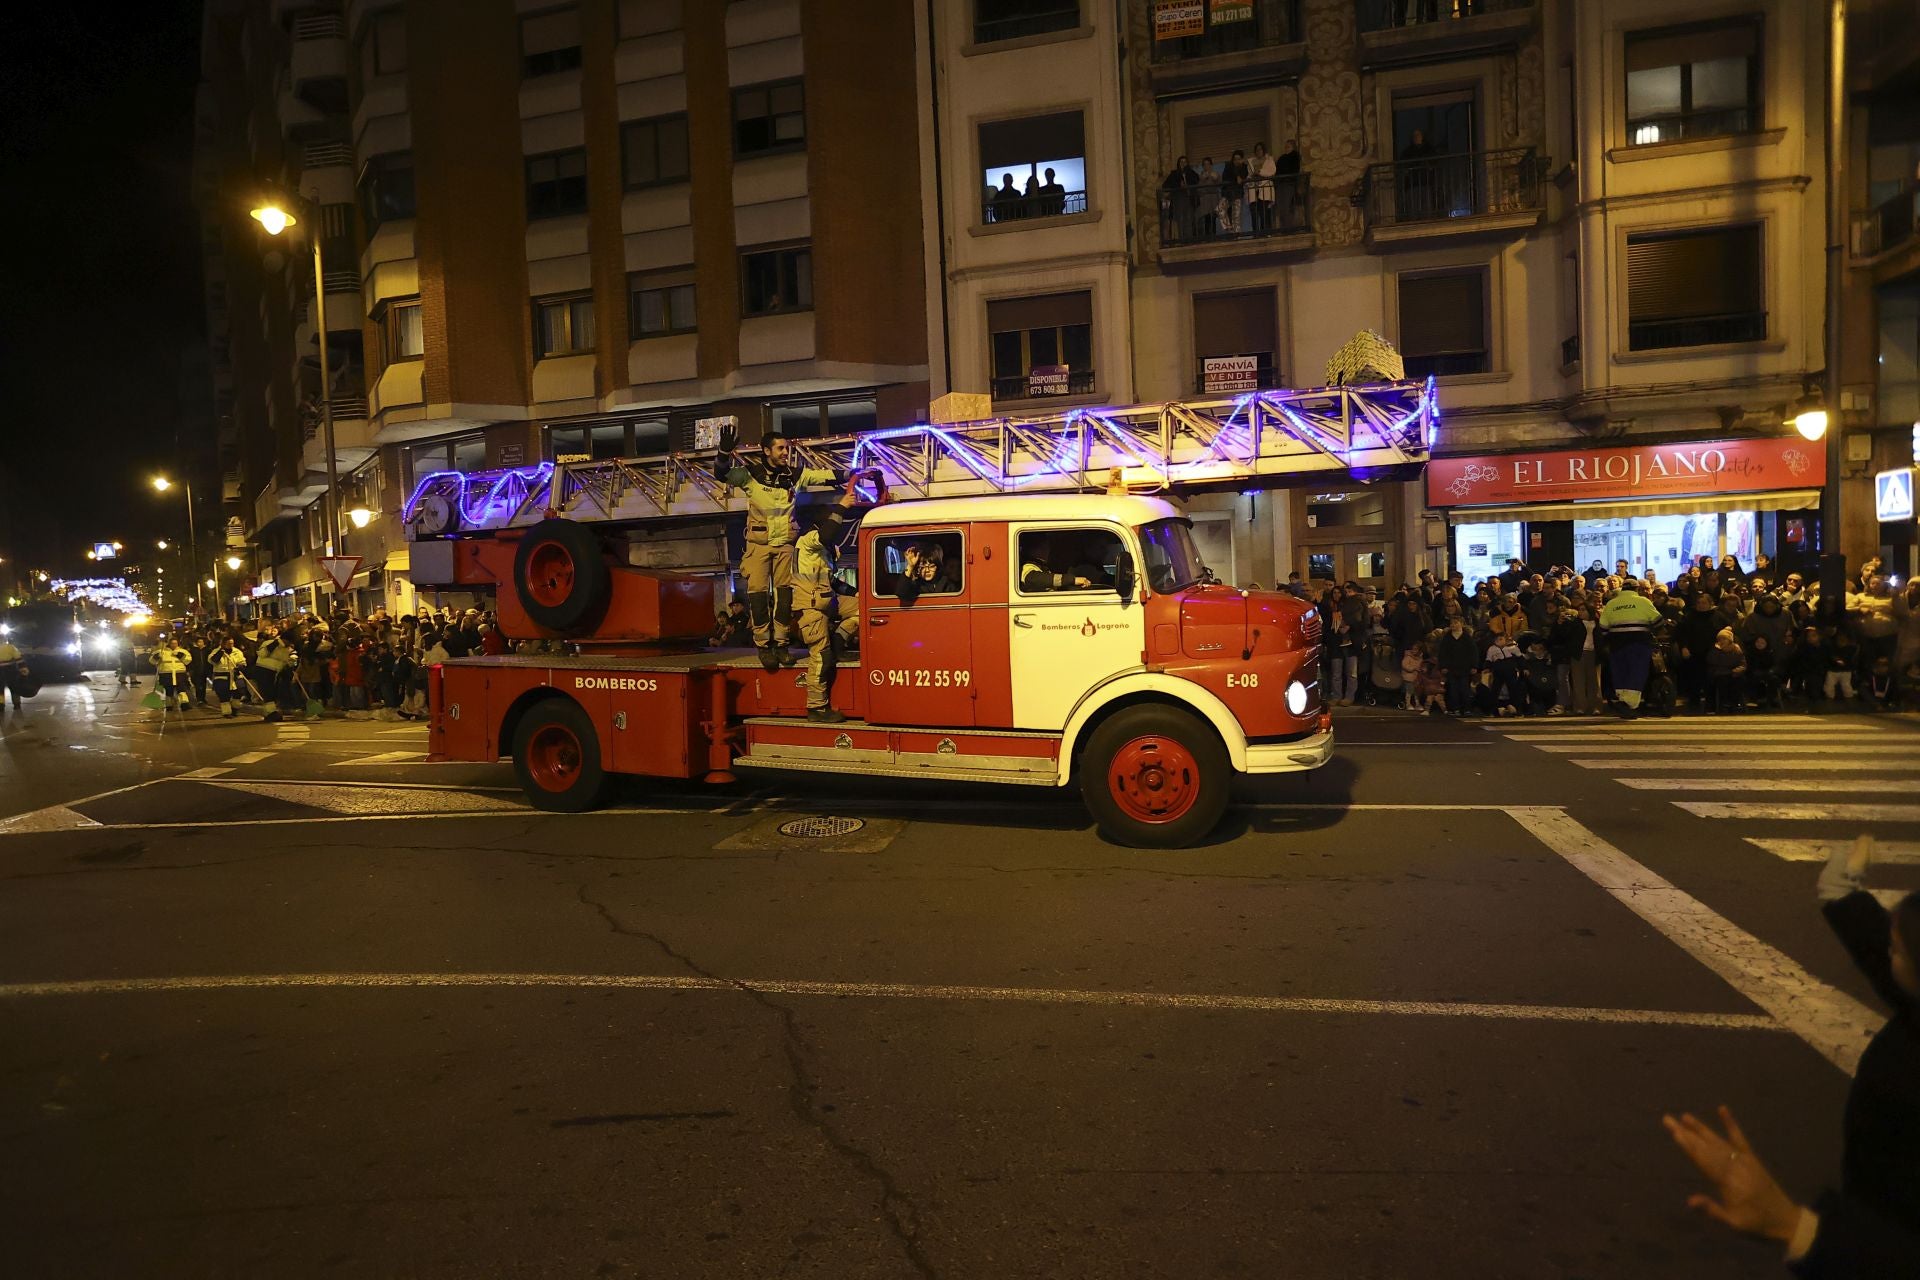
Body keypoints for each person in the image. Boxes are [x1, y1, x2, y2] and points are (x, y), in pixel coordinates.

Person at [1664, 838, 1920, 1276]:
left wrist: (1797, 1227)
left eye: (1903, 945)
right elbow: (1888, 959)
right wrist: (1843, 894)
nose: (1892, 935)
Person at [716, 426, 845, 672]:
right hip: (759, 545)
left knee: (785, 598)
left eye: (786, 448)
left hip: (785, 544)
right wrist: (723, 451)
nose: (786, 452)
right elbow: (721, 474)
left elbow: (823, 476)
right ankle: (764, 646)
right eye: (781, 448)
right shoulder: (750, 475)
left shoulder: (793, 475)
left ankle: (782, 645)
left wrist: (854, 473)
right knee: (758, 597)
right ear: (766, 451)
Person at [791, 491, 862, 724]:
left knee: (865, 608)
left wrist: (856, 593)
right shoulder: (808, 539)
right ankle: (817, 707)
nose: (831, 515)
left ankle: (840, 641)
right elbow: (828, 532)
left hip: (826, 600)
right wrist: (842, 506)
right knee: (821, 656)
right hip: (811, 608)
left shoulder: (823, 550)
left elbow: (831, 582)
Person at [1600, 578, 1661, 717]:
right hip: (1639, 643)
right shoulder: (1643, 602)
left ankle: (1622, 700)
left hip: (1617, 644)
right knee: (1637, 671)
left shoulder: (1611, 603)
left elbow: (1603, 627)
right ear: (1637, 589)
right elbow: (1658, 621)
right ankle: (1630, 704)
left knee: (1621, 671)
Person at [1436, 614, 1478, 715]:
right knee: (1453, 689)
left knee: (1465, 689)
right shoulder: (1447, 638)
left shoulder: (1466, 637)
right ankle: (1455, 708)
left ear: (1461, 624)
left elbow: (1473, 652)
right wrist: (1443, 666)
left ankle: (1467, 708)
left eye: (1456, 623)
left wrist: (1474, 666)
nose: (1453, 625)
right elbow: (1442, 653)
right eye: (1451, 623)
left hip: (1464, 668)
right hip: (1451, 668)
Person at [206, 635, 249, 718]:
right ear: (223, 644)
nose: (231, 645)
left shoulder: (237, 652)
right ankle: (226, 712)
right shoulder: (216, 652)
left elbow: (243, 662)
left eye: (232, 643)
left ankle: (235, 708)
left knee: (239, 693)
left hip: (235, 676)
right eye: (228, 644)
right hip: (222, 677)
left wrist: (240, 667)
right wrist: (221, 652)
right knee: (224, 695)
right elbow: (212, 661)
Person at [149, 633, 193, 711]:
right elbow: (152, 661)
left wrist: (179, 655)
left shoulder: (183, 651)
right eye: (172, 643)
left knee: (182, 689)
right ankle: (169, 705)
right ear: (169, 644)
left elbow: (188, 661)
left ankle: (184, 704)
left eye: (175, 643)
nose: (174, 645)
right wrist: (156, 657)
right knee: (169, 690)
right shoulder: (162, 651)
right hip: (166, 674)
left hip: (179, 673)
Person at [1245, 142, 1276, 232]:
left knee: (1264, 212)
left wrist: (1260, 172)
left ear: (1263, 150)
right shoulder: (1251, 162)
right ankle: (1255, 233)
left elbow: (1272, 172)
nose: (1258, 151)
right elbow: (1249, 174)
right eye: (1257, 150)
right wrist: (1252, 176)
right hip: (1254, 188)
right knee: (1254, 212)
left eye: (1260, 149)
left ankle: (1264, 232)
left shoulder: (1269, 160)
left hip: (1265, 187)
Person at [1273, 139, 1301, 231]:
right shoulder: (1282, 158)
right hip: (1281, 184)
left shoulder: (1295, 156)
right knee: (1281, 207)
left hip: (1289, 183)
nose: (1286, 148)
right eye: (1285, 147)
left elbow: (1294, 169)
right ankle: (1283, 227)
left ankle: (1288, 228)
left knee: (1287, 206)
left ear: (1293, 147)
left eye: (1288, 147)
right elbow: (1277, 171)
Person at [0, 634, 24, 712]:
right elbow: (18, 658)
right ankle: (17, 704)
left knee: (0, 689)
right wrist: (23, 668)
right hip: (10, 670)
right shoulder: (10, 647)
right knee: (14, 687)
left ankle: (1, 705)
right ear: (5, 639)